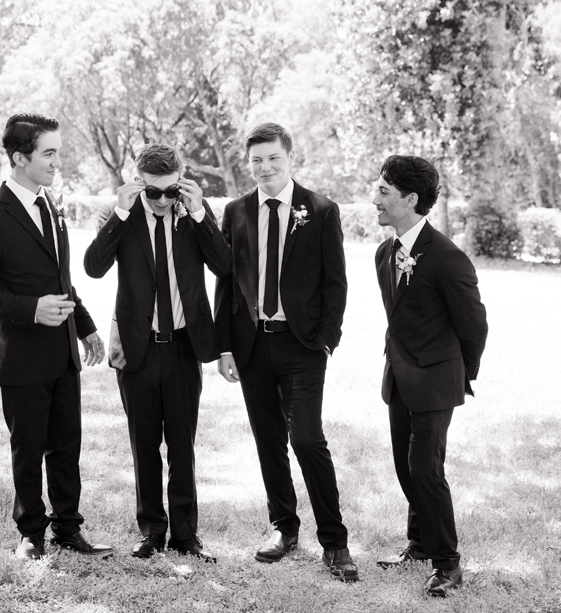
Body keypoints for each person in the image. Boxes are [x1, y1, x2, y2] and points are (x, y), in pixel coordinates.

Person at [0, 113, 113, 560]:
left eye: (58, 152)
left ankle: (68, 528)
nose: (56, 162)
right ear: (20, 158)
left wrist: (84, 327)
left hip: (63, 353)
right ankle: (30, 534)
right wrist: (31, 309)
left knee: (66, 447)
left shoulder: (52, 207)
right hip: (21, 357)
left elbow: (62, 280)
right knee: (28, 451)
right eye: (48, 153)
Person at [214, 123, 357, 582]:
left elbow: (336, 283)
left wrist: (325, 338)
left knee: (308, 439)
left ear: (290, 158)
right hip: (251, 344)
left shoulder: (321, 210)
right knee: (268, 440)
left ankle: (334, 542)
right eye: (256, 160)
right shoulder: (235, 212)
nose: (264, 168)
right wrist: (224, 346)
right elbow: (225, 282)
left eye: (273, 158)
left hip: (302, 345)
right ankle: (284, 528)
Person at [84, 144, 231, 562]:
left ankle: (186, 535)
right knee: (144, 445)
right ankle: (151, 532)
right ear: (139, 184)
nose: (164, 201)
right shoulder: (120, 216)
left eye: (171, 191)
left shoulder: (195, 214)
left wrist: (199, 213)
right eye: (154, 192)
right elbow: (93, 267)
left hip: (184, 347)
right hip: (137, 349)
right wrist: (121, 212)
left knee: (182, 447)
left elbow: (224, 266)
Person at [371, 155, 488, 597]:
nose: (375, 199)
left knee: (425, 470)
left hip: (437, 380)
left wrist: (457, 374)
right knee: (406, 467)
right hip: (399, 377)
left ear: (410, 199)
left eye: (384, 191)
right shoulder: (384, 253)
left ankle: (448, 564)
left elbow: (474, 326)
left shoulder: (447, 257)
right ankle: (419, 545)